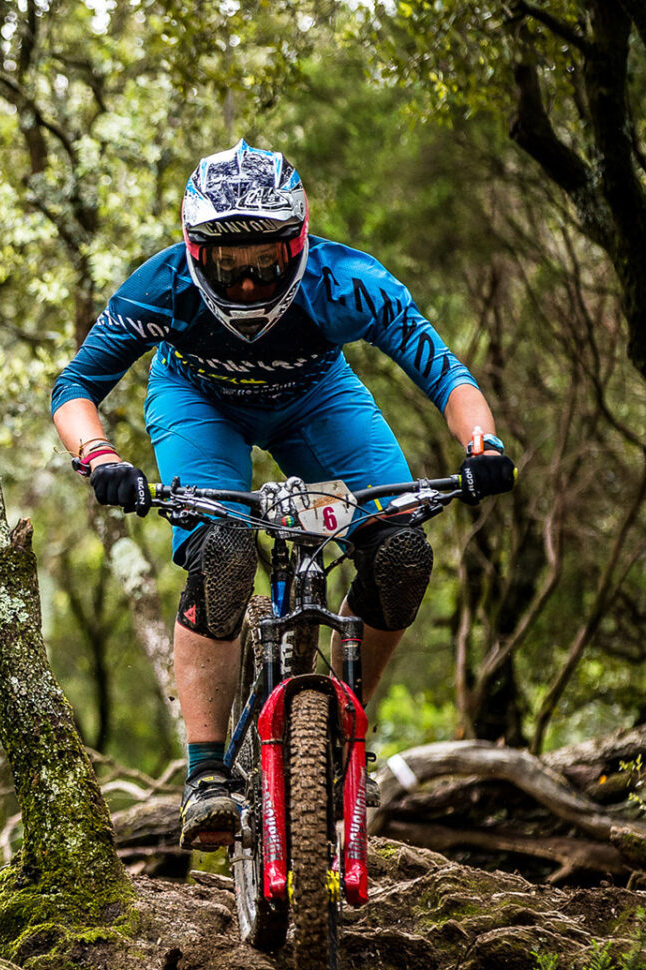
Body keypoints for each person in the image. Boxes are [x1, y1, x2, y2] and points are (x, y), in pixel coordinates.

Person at [50, 141, 515, 850]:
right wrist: (100, 455)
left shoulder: (347, 283)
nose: (244, 284)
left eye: (263, 262)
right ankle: (206, 772)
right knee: (223, 551)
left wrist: (483, 446)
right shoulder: (163, 286)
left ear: (296, 245)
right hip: (199, 403)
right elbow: (75, 387)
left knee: (401, 553)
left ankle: (342, 718)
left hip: (315, 401)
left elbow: (446, 375)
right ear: (195, 253)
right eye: (227, 264)